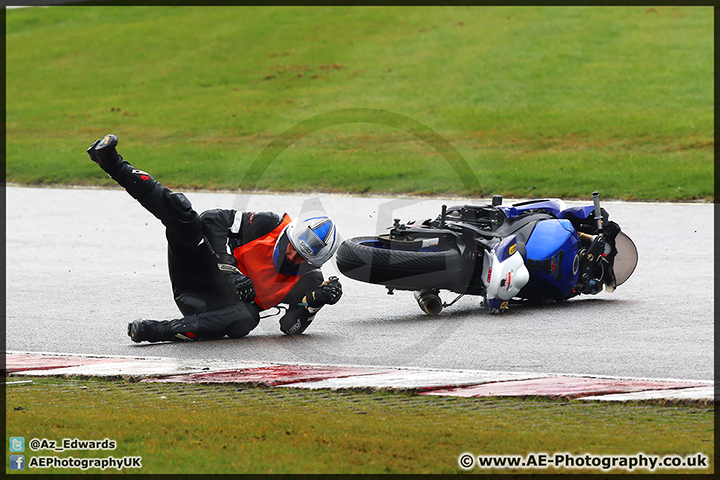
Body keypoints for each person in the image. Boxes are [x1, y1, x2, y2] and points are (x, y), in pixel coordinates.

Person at [87, 134, 343, 342]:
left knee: (247, 319)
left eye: (301, 258)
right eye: (293, 248)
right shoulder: (267, 224)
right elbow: (212, 220)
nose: (291, 256)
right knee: (184, 215)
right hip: (195, 271)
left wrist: (314, 304)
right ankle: (112, 162)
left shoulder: (309, 279)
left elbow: (289, 327)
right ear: (288, 235)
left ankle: (157, 330)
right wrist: (230, 268)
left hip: (212, 308)